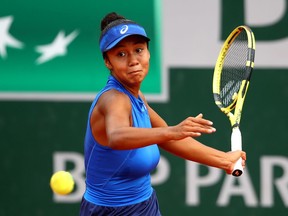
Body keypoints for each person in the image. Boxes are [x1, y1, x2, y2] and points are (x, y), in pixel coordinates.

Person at [79, 12, 246, 216]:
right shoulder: (114, 99)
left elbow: (169, 139)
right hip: (110, 211)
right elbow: (117, 136)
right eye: (121, 54)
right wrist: (173, 131)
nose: (133, 60)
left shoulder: (137, 96)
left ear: (149, 53)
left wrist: (223, 160)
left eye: (138, 50)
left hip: (145, 204)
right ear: (108, 62)